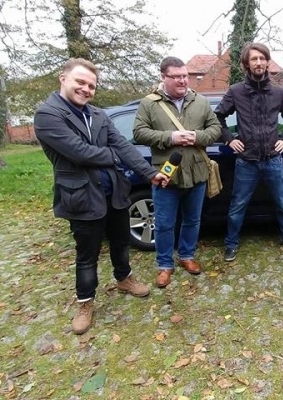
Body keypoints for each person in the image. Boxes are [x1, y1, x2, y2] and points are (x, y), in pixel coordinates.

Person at [34, 58, 170, 335]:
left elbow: (122, 145)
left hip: (114, 192)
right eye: (80, 82)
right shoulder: (48, 114)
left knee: (121, 242)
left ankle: (124, 279)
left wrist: (149, 173)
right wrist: (112, 156)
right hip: (81, 197)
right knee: (87, 255)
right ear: (63, 78)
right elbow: (78, 152)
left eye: (91, 86)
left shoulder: (97, 114)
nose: (85, 89)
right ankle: (85, 302)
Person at [133, 56, 222, 289]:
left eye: (185, 76)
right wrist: (170, 137)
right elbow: (139, 133)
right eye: (177, 77)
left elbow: (216, 129)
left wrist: (198, 137)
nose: (183, 81)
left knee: (192, 220)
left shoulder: (200, 101)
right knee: (163, 223)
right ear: (163, 77)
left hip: (197, 173)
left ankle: (186, 256)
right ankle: (164, 265)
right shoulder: (149, 103)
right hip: (166, 174)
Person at [214, 42, 283, 262]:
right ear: (247, 63)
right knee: (237, 206)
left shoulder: (279, 92)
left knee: (282, 203)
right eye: (254, 59)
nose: (259, 62)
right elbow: (216, 118)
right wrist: (229, 140)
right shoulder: (236, 91)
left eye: (262, 58)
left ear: (267, 61)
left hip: (273, 159)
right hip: (246, 161)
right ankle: (231, 244)